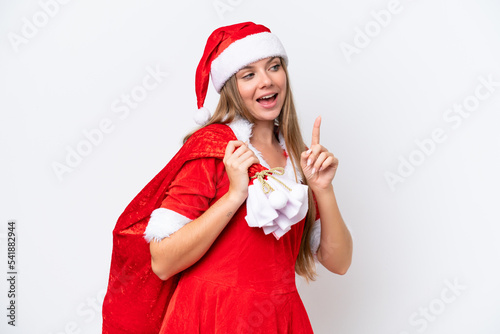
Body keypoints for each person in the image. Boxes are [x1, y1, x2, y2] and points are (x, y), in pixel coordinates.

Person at [102, 22, 353, 334]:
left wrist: (323, 190)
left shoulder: (299, 158)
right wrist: (235, 195)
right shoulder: (213, 148)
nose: (266, 81)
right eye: (248, 74)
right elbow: (162, 262)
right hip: (211, 317)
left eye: (273, 67)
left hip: (280, 318)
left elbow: (338, 263)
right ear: (232, 88)